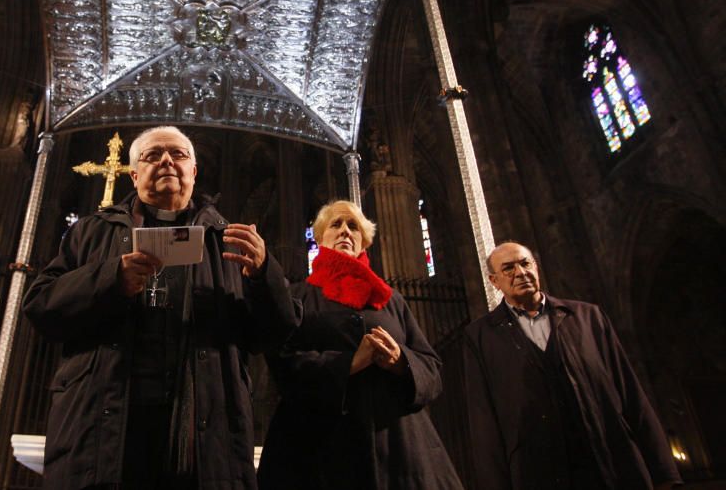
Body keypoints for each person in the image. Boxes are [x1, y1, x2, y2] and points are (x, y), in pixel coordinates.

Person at [23, 126, 298, 490]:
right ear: (134, 174)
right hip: (106, 425)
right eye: (153, 155)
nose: (167, 160)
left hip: (200, 430)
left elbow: (276, 332)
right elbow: (40, 306)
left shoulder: (227, 241)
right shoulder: (91, 233)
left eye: (179, 154)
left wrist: (264, 275)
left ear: (194, 172)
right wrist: (111, 279)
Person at [257, 200, 463, 490]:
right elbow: (283, 361)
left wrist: (401, 361)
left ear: (363, 240)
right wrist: (349, 364)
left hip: (399, 449)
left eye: (353, 226)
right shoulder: (298, 296)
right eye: (336, 224)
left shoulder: (391, 299)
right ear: (319, 238)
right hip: (322, 448)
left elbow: (431, 367)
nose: (345, 231)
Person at [463, 241, 683, 489]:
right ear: (494, 281)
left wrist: (664, 474)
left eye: (525, 264)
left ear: (536, 267)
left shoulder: (588, 317)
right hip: (539, 473)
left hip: (609, 465)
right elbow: (484, 423)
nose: (521, 273)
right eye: (508, 268)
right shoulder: (481, 337)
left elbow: (630, 394)